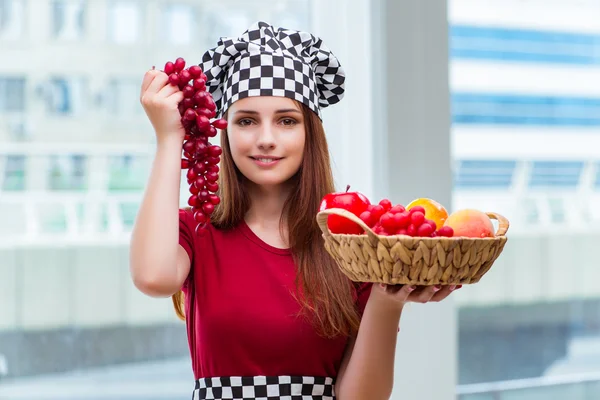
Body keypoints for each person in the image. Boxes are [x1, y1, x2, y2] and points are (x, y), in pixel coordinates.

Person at [130, 21, 459, 400]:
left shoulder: (352, 243)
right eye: (247, 121)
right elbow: (153, 278)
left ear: (309, 134)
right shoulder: (197, 230)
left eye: (286, 121)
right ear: (225, 130)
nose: (266, 139)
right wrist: (170, 137)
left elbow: (360, 397)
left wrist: (388, 297)